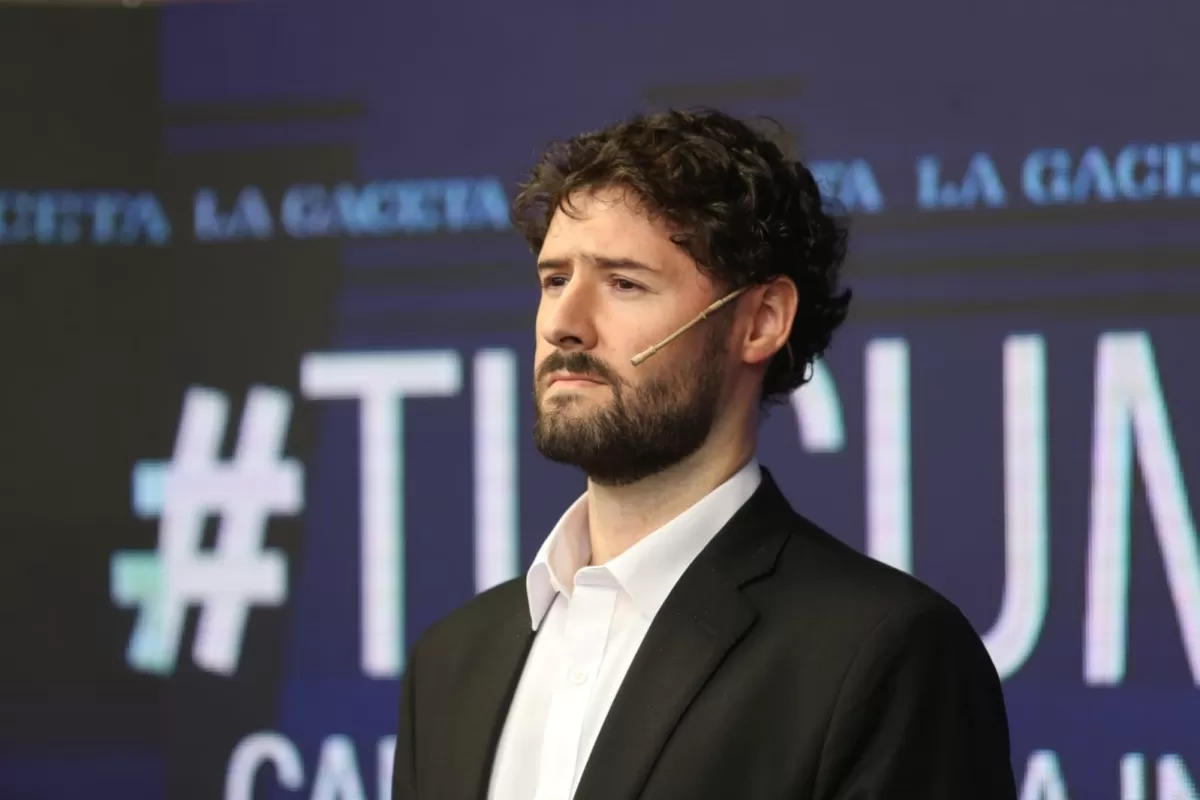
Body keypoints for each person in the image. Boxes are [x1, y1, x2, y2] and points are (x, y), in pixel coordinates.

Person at [392, 108, 1017, 800]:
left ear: (760, 322)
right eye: (553, 280)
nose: (565, 324)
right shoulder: (449, 664)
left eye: (624, 282)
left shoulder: (884, 656)